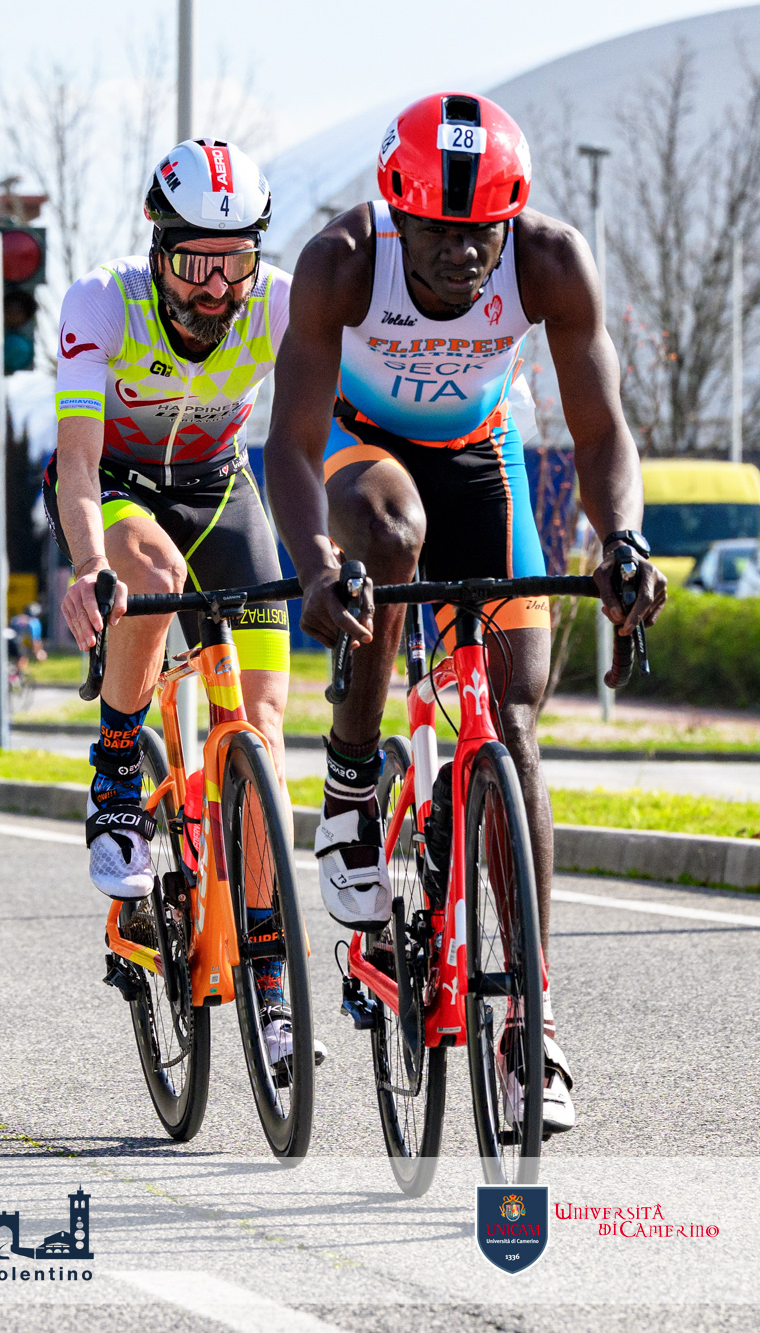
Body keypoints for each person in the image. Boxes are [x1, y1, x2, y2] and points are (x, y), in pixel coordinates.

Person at [262, 92, 667, 1132]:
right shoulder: (343, 261)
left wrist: (622, 540)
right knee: (391, 538)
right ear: (398, 215)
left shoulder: (549, 260)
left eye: (480, 231)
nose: (461, 253)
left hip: (479, 458)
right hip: (357, 453)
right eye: (438, 232)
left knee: (513, 715)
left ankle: (530, 1021)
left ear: (510, 219)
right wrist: (316, 566)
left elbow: (600, 430)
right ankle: (351, 778)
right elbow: (289, 446)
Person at [49, 138, 324, 1081]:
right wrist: (91, 563)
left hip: (221, 489)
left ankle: (272, 977)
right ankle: (117, 767)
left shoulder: (281, 303)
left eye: (235, 262)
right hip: (119, 491)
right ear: (159, 250)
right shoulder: (102, 302)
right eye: (196, 263)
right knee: (154, 571)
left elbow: (334, 424)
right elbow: (77, 462)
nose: (217, 288)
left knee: (264, 731)